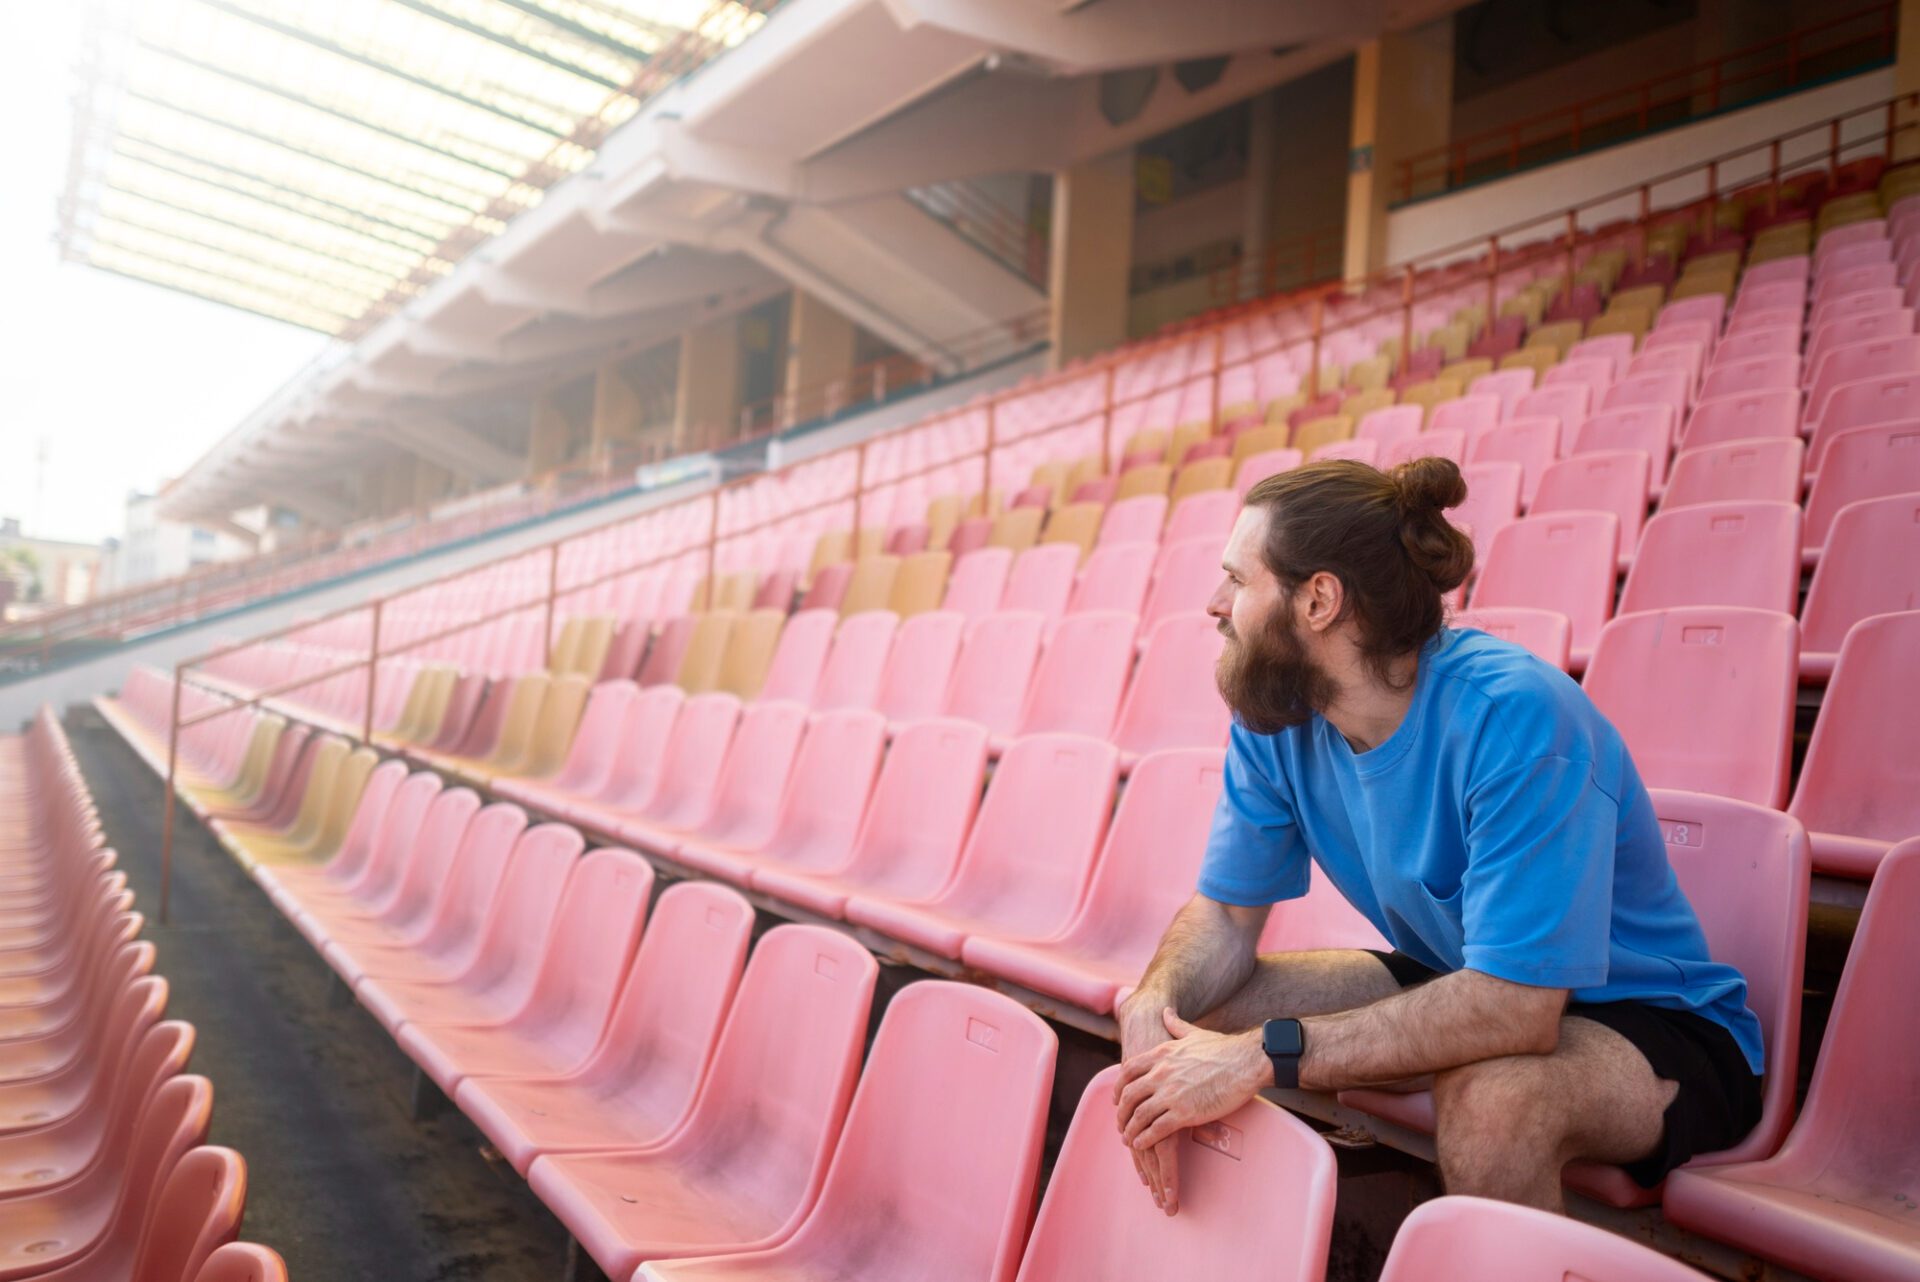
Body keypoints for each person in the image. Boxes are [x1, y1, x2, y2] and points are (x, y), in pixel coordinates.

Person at [1112, 457, 1762, 1216]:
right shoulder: (1280, 711)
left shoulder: (1515, 717)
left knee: (1492, 1099)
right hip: (1460, 975)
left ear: (1319, 599)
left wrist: (1264, 1055)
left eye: (1238, 579)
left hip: (1648, 1022)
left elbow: (1518, 1007)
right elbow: (1224, 916)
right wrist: (1147, 1007)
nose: (1215, 603)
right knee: (1199, 1014)